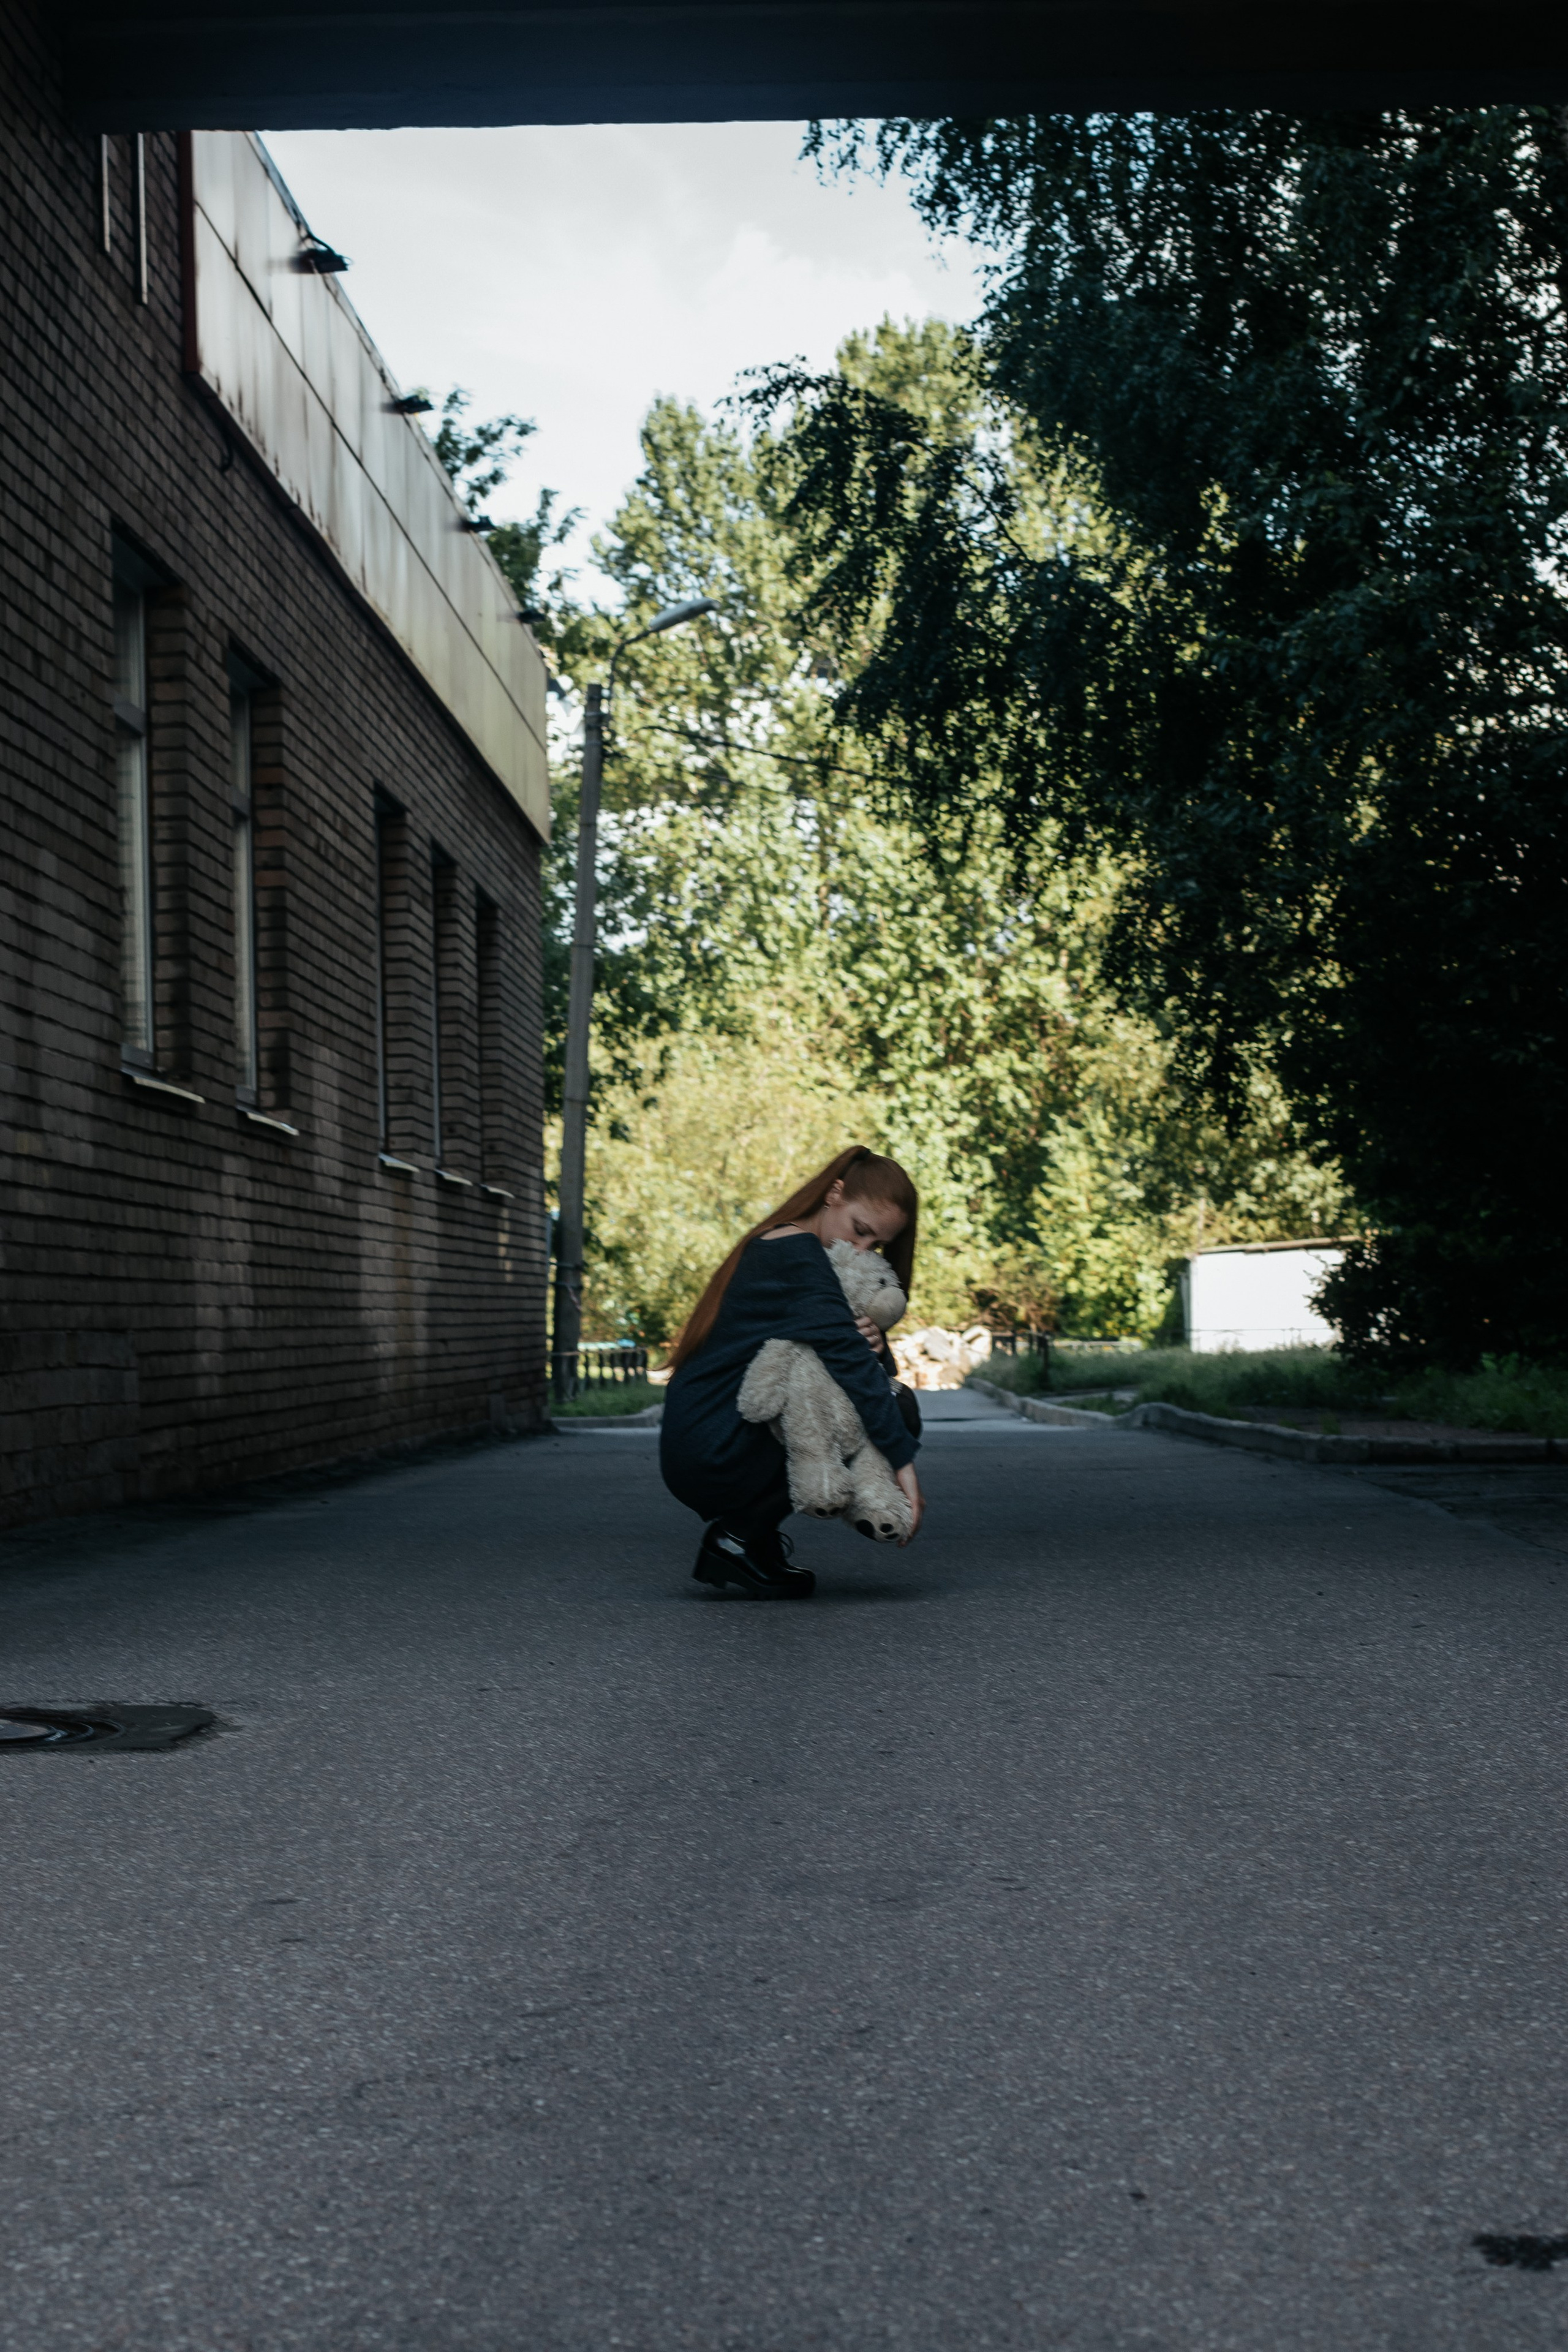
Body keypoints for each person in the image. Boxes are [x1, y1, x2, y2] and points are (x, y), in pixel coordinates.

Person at [660, 1146, 925, 1599]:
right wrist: (904, 1463)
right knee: (898, 1409)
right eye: (859, 1230)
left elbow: (854, 1360)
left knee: (883, 1400)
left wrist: (878, 1347)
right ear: (834, 1194)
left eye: (875, 1245)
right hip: (711, 1444)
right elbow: (850, 1366)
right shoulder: (795, 1253)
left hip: (710, 1435)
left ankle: (752, 1539)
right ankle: (737, 1539)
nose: (859, 1249)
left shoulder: (794, 1245)